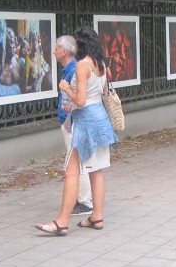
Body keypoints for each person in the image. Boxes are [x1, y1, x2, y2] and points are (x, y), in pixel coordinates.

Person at [35, 26, 118, 235]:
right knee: (96, 170)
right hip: (100, 119)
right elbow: (103, 92)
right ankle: (97, 217)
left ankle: (62, 222)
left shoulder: (82, 65)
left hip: (86, 122)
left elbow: (80, 101)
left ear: (80, 44)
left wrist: (66, 88)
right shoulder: (101, 64)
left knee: (71, 172)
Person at [53, 35, 93, 216]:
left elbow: (78, 98)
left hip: (72, 122)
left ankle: (84, 201)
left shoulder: (74, 69)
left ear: (64, 51)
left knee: (77, 162)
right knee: (77, 161)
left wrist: (68, 120)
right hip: (70, 120)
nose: (54, 51)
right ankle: (81, 199)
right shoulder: (69, 69)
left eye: (56, 48)